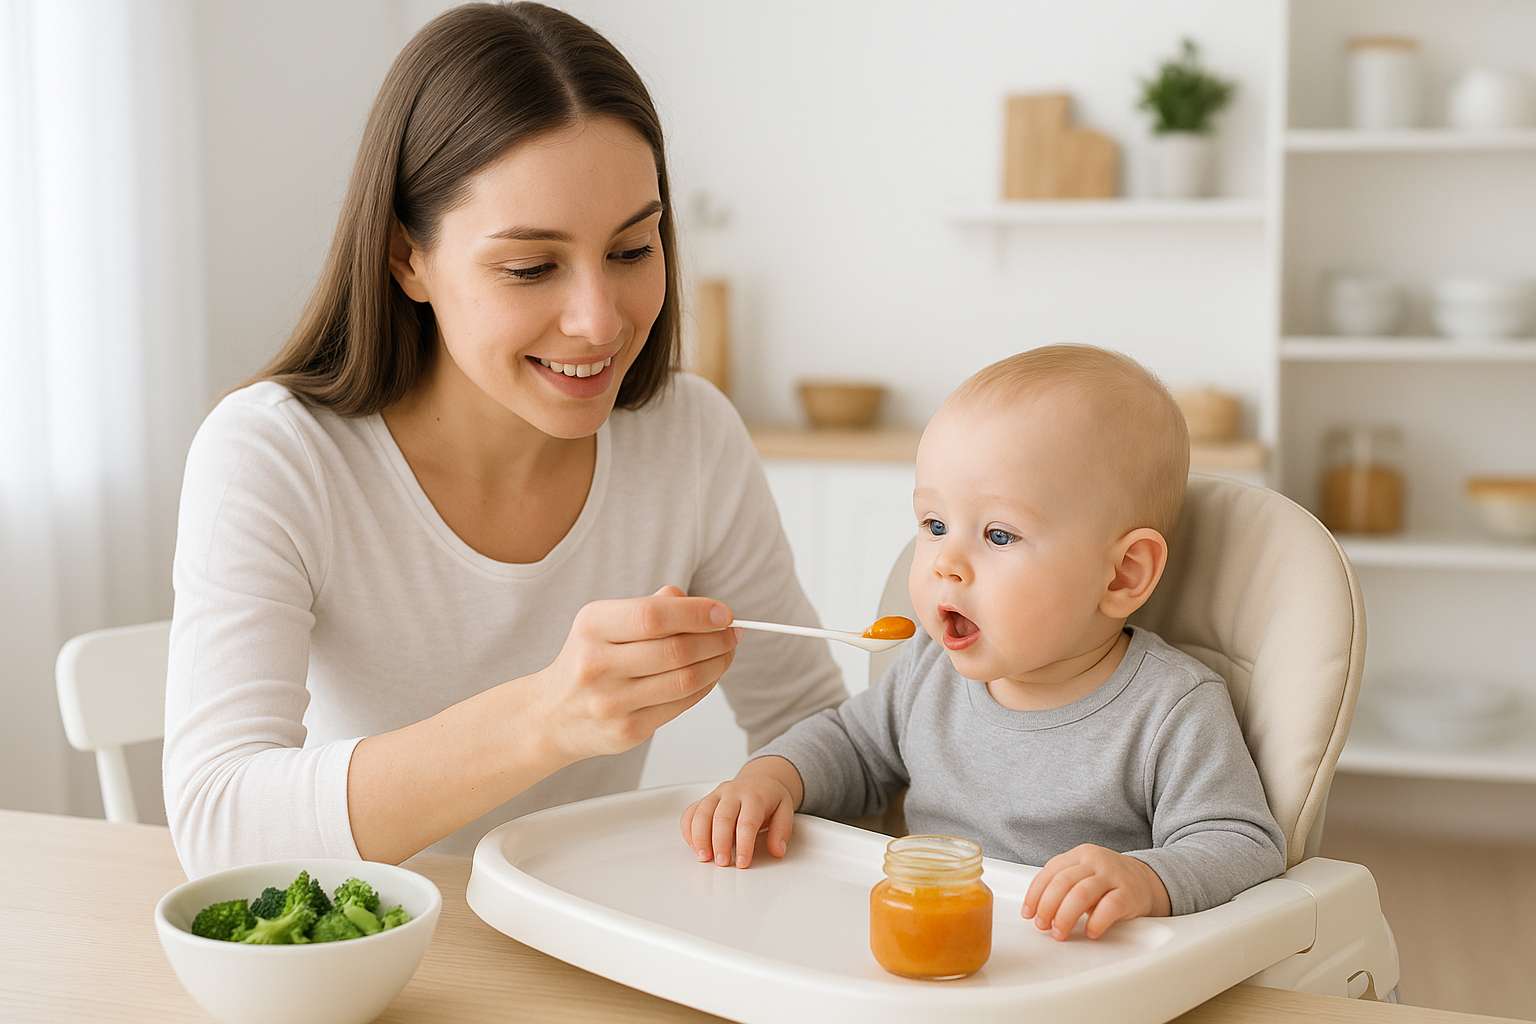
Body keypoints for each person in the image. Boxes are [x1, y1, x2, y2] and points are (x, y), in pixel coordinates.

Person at [163, 2, 846, 876]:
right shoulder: (276, 456)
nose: (599, 320)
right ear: (407, 257)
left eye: (634, 249)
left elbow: (814, 727)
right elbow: (219, 825)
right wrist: (544, 718)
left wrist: (788, 780)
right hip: (372, 954)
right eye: (531, 267)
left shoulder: (691, 437)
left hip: (590, 941)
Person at [681, 345, 1286, 941]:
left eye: (999, 534)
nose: (947, 563)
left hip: (1071, 974)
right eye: (935, 525)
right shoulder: (927, 671)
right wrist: (770, 780)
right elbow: (849, 744)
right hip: (926, 945)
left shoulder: (1171, 708)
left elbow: (1240, 842)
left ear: (1123, 574)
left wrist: (1145, 878)